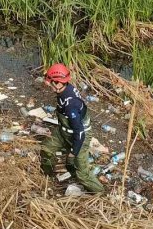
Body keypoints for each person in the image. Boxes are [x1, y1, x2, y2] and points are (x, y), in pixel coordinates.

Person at [39, 63, 105, 193]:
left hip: (79, 137)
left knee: (83, 174)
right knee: (46, 149)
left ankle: (100, 193)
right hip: (63, 130)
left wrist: (73, 153)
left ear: (58, 83)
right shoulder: (65, 89)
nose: (48, 85)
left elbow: (79, 133)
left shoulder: (71, 105)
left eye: (51, 82)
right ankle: (48, 176)